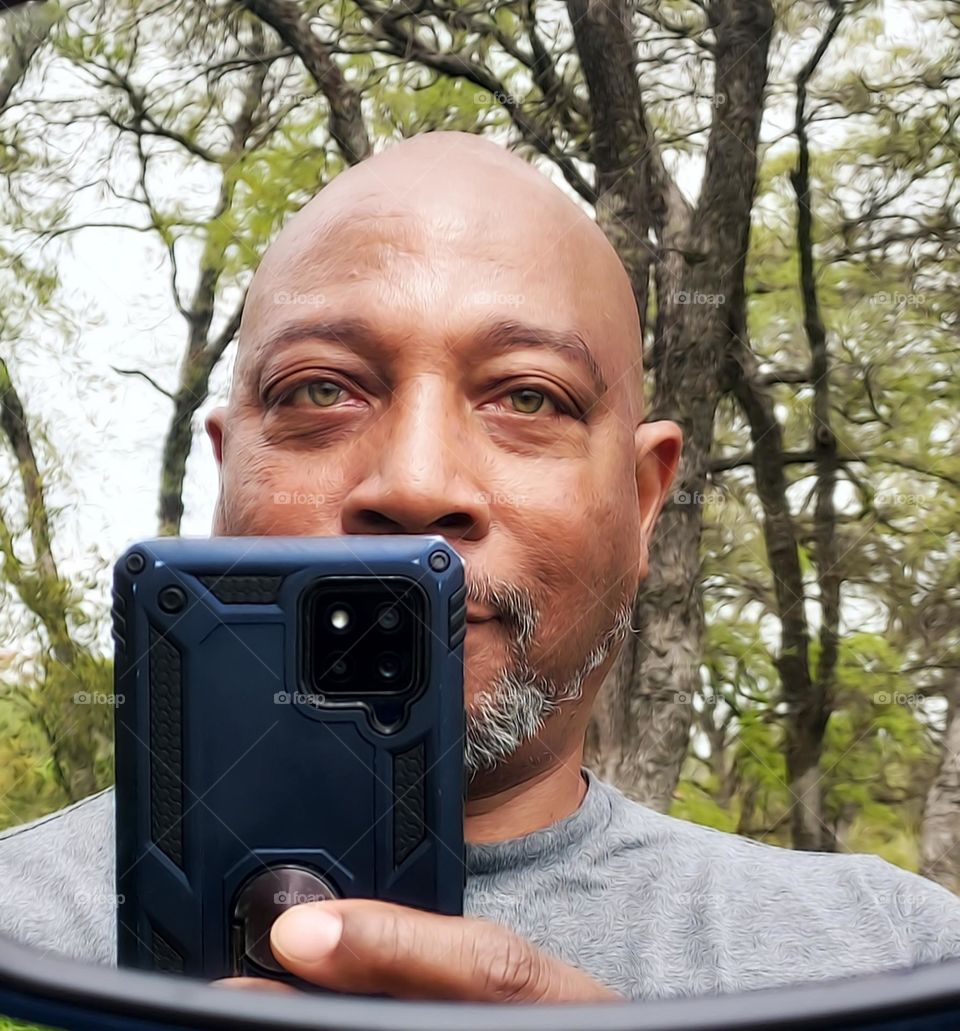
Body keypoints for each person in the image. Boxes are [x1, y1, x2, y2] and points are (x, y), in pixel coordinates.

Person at [1, 131, 960, 1004]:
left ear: (642, 502)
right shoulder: (17, 935)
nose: (415, 486)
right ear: (225, 476)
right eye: (321, 387)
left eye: (530, 398)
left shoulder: (902, 962)